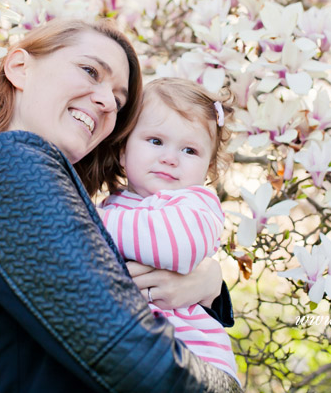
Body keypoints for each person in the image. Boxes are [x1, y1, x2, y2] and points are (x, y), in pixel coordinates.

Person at [0, 19, 242, 392]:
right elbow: (128, 354)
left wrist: (210, 286)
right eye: (89, 70)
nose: (105, 101)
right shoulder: (6, 162)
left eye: (118, 100)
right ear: (20, 67)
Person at [99, 77, 239, 383]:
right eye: (155, 141)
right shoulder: (114, 204)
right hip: (134, 356)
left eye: (190, 150)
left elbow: (173, 246)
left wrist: (86, 220)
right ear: (122, 151)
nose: (170, 158)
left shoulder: (196, 204)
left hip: (194, 360)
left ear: (209, 170)